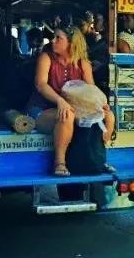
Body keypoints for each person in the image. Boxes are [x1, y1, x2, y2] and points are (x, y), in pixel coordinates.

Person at [27, 28, 115, 176]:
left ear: (71, 43)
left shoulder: (83, 64)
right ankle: (59, 163)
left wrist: (103, 108)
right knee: (67, 114)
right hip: (41, 109)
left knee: (105, 116)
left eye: (58, 38)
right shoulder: (46, 57)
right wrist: (60, 100)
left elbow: (91, 91)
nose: (53, 41)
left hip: (74, 110)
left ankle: (97, 160)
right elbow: (41, 85)